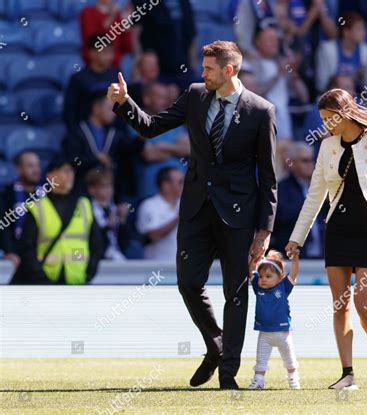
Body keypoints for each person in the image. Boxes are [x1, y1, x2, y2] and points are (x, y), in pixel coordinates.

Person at [107, 40, 277, 389]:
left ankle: (228, 373)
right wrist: (124, 103)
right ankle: (216, 344)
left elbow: (269, 177)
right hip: (197, 208)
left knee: (236, 292)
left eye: (209, 69)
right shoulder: (196, 95)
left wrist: (264, 231)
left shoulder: (262, 111)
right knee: (188, 283)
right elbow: (152, 126)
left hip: (239, 215)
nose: (202, 74)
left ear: (229, 70)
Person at [286, 88, 367, 390]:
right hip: (337, 231)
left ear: (344, 113)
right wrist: (296, 238)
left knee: (364, 304)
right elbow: (315, 197)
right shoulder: (328, 146)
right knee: (340, 305)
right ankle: (347, 373)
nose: (325, 125)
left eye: (328, 119)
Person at [10, 158, 103, 285]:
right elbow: (27, 248)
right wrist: (41, 278)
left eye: (71, 171)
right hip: (45, 282)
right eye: (64, 171)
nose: (69, 176)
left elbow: (96, 243)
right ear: (50, 175)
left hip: (77, 281)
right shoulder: (37, 207)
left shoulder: (84, 205)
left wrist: (89, 273)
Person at [63, 90, 146, 199]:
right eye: (110, 109)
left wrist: (142, 134)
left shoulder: (115, 134)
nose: (114, 114)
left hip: (111, 193)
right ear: (96, 107)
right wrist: (94, 158)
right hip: (82, 192)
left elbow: (131, 151)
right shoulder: (77, 133)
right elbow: (71, 160)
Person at [248, 249, 300, 390]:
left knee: (289, 359)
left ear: (279, 277)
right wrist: (253, 262)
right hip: (264, 333)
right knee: (261, 360)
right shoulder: (257, 288)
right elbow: (252, 272)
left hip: (283, 333)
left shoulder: (284, 287)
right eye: (261, 276)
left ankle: (293, 378)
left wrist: (294, 260)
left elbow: (293, 274)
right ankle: (258, 380)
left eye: (268, 276)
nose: (263, 279)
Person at [272, 142, 323, 258]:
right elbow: (281, 216)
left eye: (312, 160)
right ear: (292, 163)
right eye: (305, 160)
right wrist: (308, 204)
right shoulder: (281, 189)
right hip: (293, 257)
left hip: (321, 256)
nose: (311, 164)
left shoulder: (320, 188)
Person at [63, 34, 118, 133]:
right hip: (85, 133)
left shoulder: (116, 75)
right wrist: (75, 135)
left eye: (111, 52)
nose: (109, 57)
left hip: (111, 134)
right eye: (105, 52)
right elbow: (70, 111)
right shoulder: (78, 79)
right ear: (92, 53)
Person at [316, 12, 367, 95]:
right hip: (332, 100)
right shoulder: (326, 50)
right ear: (346, 32)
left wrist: (363, 79)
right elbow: (321, 85)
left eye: (364, 29)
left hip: (358, 101)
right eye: (359, 29)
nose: (364, 32)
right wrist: (352, 78)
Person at [0, 151, 42, 267]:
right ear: (19, 169)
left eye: (37, 165)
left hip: (42, 252)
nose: (36, 170)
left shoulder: (46, 194)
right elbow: (3, 227)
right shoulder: (6, 195)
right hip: (17, 254)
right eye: (30, 166)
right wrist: (10, 251)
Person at [136, 167, 183, 261]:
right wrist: (179, 218)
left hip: (184, 266)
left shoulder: (184, 203)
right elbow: (153, 235)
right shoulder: (149, 205)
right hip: (157, 268)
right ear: (166, 185)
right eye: (180, 182)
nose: (185, 185)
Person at [85, 168, 131, 260]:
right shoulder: (86, 209)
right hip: (95, 259)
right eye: (104, 186)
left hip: (116, 257)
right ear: (92, 189)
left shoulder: (114, 208)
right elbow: (93, 241)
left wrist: (122, 220)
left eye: (110, 186)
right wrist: (108, 225)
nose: (109, 189)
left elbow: (124, 243)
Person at [80, 0, 133, 68]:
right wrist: (111, 16)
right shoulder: (88, 12)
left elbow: (126, 47)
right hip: (94, 63)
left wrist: (127, 25)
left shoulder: (118, 15)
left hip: (115, 63)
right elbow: (95, 43)